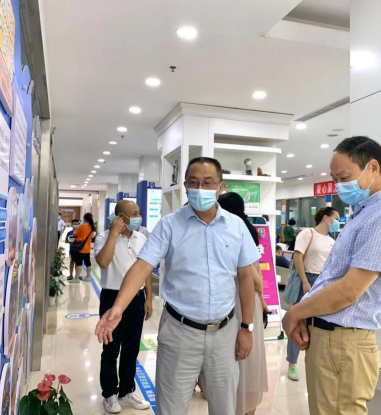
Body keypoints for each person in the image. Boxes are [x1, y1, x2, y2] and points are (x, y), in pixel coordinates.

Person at [95, 157, 260, 415]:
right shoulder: (169, 225)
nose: (200, 189)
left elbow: (246, 278)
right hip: (179, 333)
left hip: (225, 334)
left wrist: (246, 327)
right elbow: (141, 267)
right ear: (185, 186)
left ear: (220, 187)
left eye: (208, 183)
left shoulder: (236, 226)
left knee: (225, 408)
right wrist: (118, 307)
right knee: (171, 409)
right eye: (194, 182)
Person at [282, 136, 381, 415]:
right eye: (335, 179)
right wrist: (307, 314)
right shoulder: (362, 214)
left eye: (344, 177)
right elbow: (331, 279)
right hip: (329, 337)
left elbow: (349, 291)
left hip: (344, 341)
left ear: (373, 168)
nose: (339, 186)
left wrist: (295, 312)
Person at [94, 200, 153, 413]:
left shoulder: (141, 238)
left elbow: (145, 269)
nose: (139, 217)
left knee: (132, 347)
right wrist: (113, 234)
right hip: (112, 298)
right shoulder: (103, 237)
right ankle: (109, 394)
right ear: (120, 217)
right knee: (111, 348)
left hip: (136, 298)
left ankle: (126, 391)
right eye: (134, 213)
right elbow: (103, 262)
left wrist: (148, 297)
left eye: (139, 212)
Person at [218, 192, 268, 415]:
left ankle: (238, 404)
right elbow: (258, 275)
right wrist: (262, 298)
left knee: (238, 355)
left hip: (238, 301)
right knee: (246, 356)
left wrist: (259, 293)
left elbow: (253, 277)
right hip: (249, 301)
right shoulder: (248, 229)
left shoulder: (234, 232)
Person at [286, 206, 339, 382]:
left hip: (323, 282)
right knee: (298, 321)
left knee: (318, 323)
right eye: (336, 218)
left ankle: (317, 362)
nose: (337, 222)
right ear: (326, 218)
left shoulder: (331, 241)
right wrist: (304, 281)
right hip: (307, 278)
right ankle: (292, 363)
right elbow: (298, 257)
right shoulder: (307, 234)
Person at [71, 212, 95, 283]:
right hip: (87, 248)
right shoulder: (92, 227)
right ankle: (88, 277)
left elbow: (74, 234)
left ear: (84, 218)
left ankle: (76, 278)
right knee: (88, 263)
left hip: (80, 248)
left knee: (79, 263)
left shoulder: (81, 226)